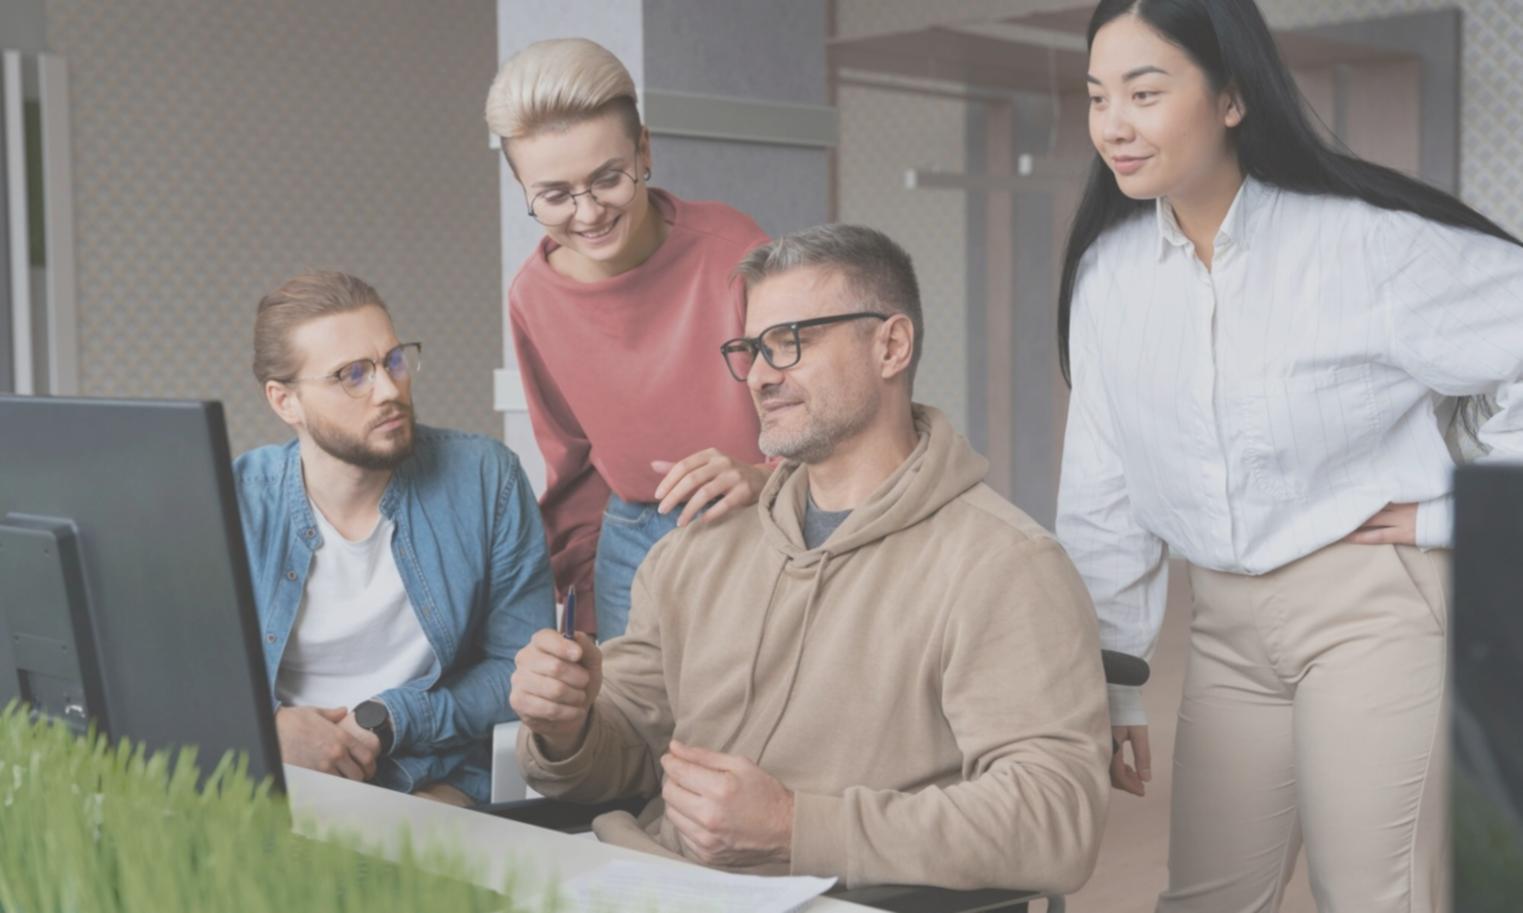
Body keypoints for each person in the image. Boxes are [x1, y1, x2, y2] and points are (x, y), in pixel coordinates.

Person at [1055, 1, 1523, 910]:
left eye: (1144, 92)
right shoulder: (1108, 275)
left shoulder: (1358, 243)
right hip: (1223, 629)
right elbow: (1101, 490)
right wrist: (1112, 680)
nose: (1114, 124)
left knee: (1374, 896)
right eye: (1096, 95)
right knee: (1205, 898)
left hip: (1372, 610)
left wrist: (1456, 510)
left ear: (1231, 98)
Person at [508, 225, 1111, 893]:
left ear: (890, 345)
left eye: (791, 341)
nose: (763, 374)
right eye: (752, 349)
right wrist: (567, 725)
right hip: (643, 880)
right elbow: (622, 752)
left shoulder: (1003, 566)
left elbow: (1056, 819)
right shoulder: (691, 553)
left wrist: (798, 826)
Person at [484, 38, 771, 639]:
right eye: (556, 195)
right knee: (632, 730)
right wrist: (580, 604)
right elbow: (572, 465)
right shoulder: (532, 298)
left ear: (643, 151)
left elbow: (817, 406)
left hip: (757, 527)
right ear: (523, 189)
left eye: (607, 179)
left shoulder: (735, 248)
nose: (587, 213)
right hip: (629, 541)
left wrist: (766, 479)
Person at [235, 271, 554, 805]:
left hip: (435, 765)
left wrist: (388, 719)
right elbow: (172, 676)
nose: (388, 390)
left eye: (394, 361)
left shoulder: (485, 478)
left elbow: (521, 670)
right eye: (350, 375)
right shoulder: (238, 500)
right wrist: (268, 728)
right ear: (284, 401)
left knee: (404, 875)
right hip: (282, 772)